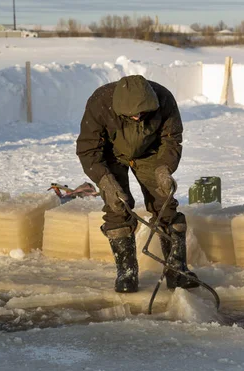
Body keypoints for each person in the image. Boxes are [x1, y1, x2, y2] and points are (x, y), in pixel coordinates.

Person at [76, 74, 199, 293]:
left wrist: (164, 169)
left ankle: (176, 269)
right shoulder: (100, 102)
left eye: (143, 113)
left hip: (151, 153)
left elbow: (171, 139)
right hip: (111, 154)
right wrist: (104, 180)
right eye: (132, 115)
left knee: (165, 204)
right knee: (117, 207)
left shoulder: (164, 99)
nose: (138, 118)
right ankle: (127, 272)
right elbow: (88, 149)